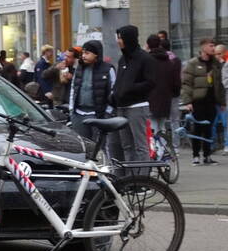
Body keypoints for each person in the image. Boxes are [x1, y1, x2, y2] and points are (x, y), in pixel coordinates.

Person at [110, 25, 157, 169]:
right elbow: (119, 81)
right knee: (127, 145)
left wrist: (130, 88)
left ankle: (143, 178)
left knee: (140, 145)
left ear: (128, 39)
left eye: (120, 38)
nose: (118, 41)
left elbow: (151, 82)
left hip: (137, 106)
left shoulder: (145, 58)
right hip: (121, 106)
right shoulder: (122, 60)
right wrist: (114, 95)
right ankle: (131, 178)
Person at [181, 37, 225, 165]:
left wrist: (222, 102)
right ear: (203, 47)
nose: (213, 48)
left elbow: (220, 84)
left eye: (213, 46)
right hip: (198, 101)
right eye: (211, 46)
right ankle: (195, 155)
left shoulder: (216, 64)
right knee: (198, 128)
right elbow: (187, 84)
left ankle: (207, 155)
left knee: (209, 128)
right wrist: (188, 101)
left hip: (211, 101)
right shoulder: (193, 63)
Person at [68, 40, 115, 143]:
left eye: (87, 53)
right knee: (82, 145)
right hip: (78, 114)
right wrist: (72, 109)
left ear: (96, 54)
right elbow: (73, 88)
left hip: (98, 115)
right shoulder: (79, 68)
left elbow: (113, 91)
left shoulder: (108, 69)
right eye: (83, 53)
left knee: (98, 147)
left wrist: (108, 112)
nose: (83, 56)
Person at [146, 34, 181, 154]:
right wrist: (174, 94)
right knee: (161, 127)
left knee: (153, 127)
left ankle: (157, 152)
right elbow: (176, 81)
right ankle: (164, 150)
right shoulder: (169, 61)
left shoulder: (147, 60)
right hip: (166, 98)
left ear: (148, 45)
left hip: (151, 98)